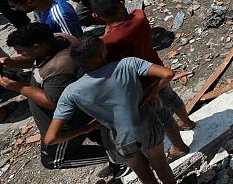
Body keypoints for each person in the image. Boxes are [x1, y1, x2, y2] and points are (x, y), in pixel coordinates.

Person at [46, 35, 178, 184]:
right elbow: (168, 74)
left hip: (117, 138)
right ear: (102, 55)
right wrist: (153, 92)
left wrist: (87, 128)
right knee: (160, 164)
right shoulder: (127, 64)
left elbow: (51, 138)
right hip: (147, 125)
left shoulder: (70, 92)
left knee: (142, 172)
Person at [0, 24, 119, 173]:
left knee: (53, 160)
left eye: (21, 51)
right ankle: (119, 155)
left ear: (36, 47)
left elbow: (55, 103)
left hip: (65, 124)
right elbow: (34, 60)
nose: (19, 54)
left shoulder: (58, 68)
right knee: (96, 133)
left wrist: (20, 88)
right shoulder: (57, 39)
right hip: (84, 111)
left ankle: (122, 157)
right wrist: (12, 62)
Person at [90, 0, 195, 158]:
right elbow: (132, 14)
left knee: (163, 115)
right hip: (157, 70)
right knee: (171, 98)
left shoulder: (107, 41)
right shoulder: (140, 17)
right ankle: (187, 122)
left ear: (96, 16)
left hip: (141, 84)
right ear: (121, 4)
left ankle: (179, 147)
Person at [5, 0, 82, 36]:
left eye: (16, 7)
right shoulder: (47, 3)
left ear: (29, 2)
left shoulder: (59, 16)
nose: (16, 9)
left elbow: (74, 42)